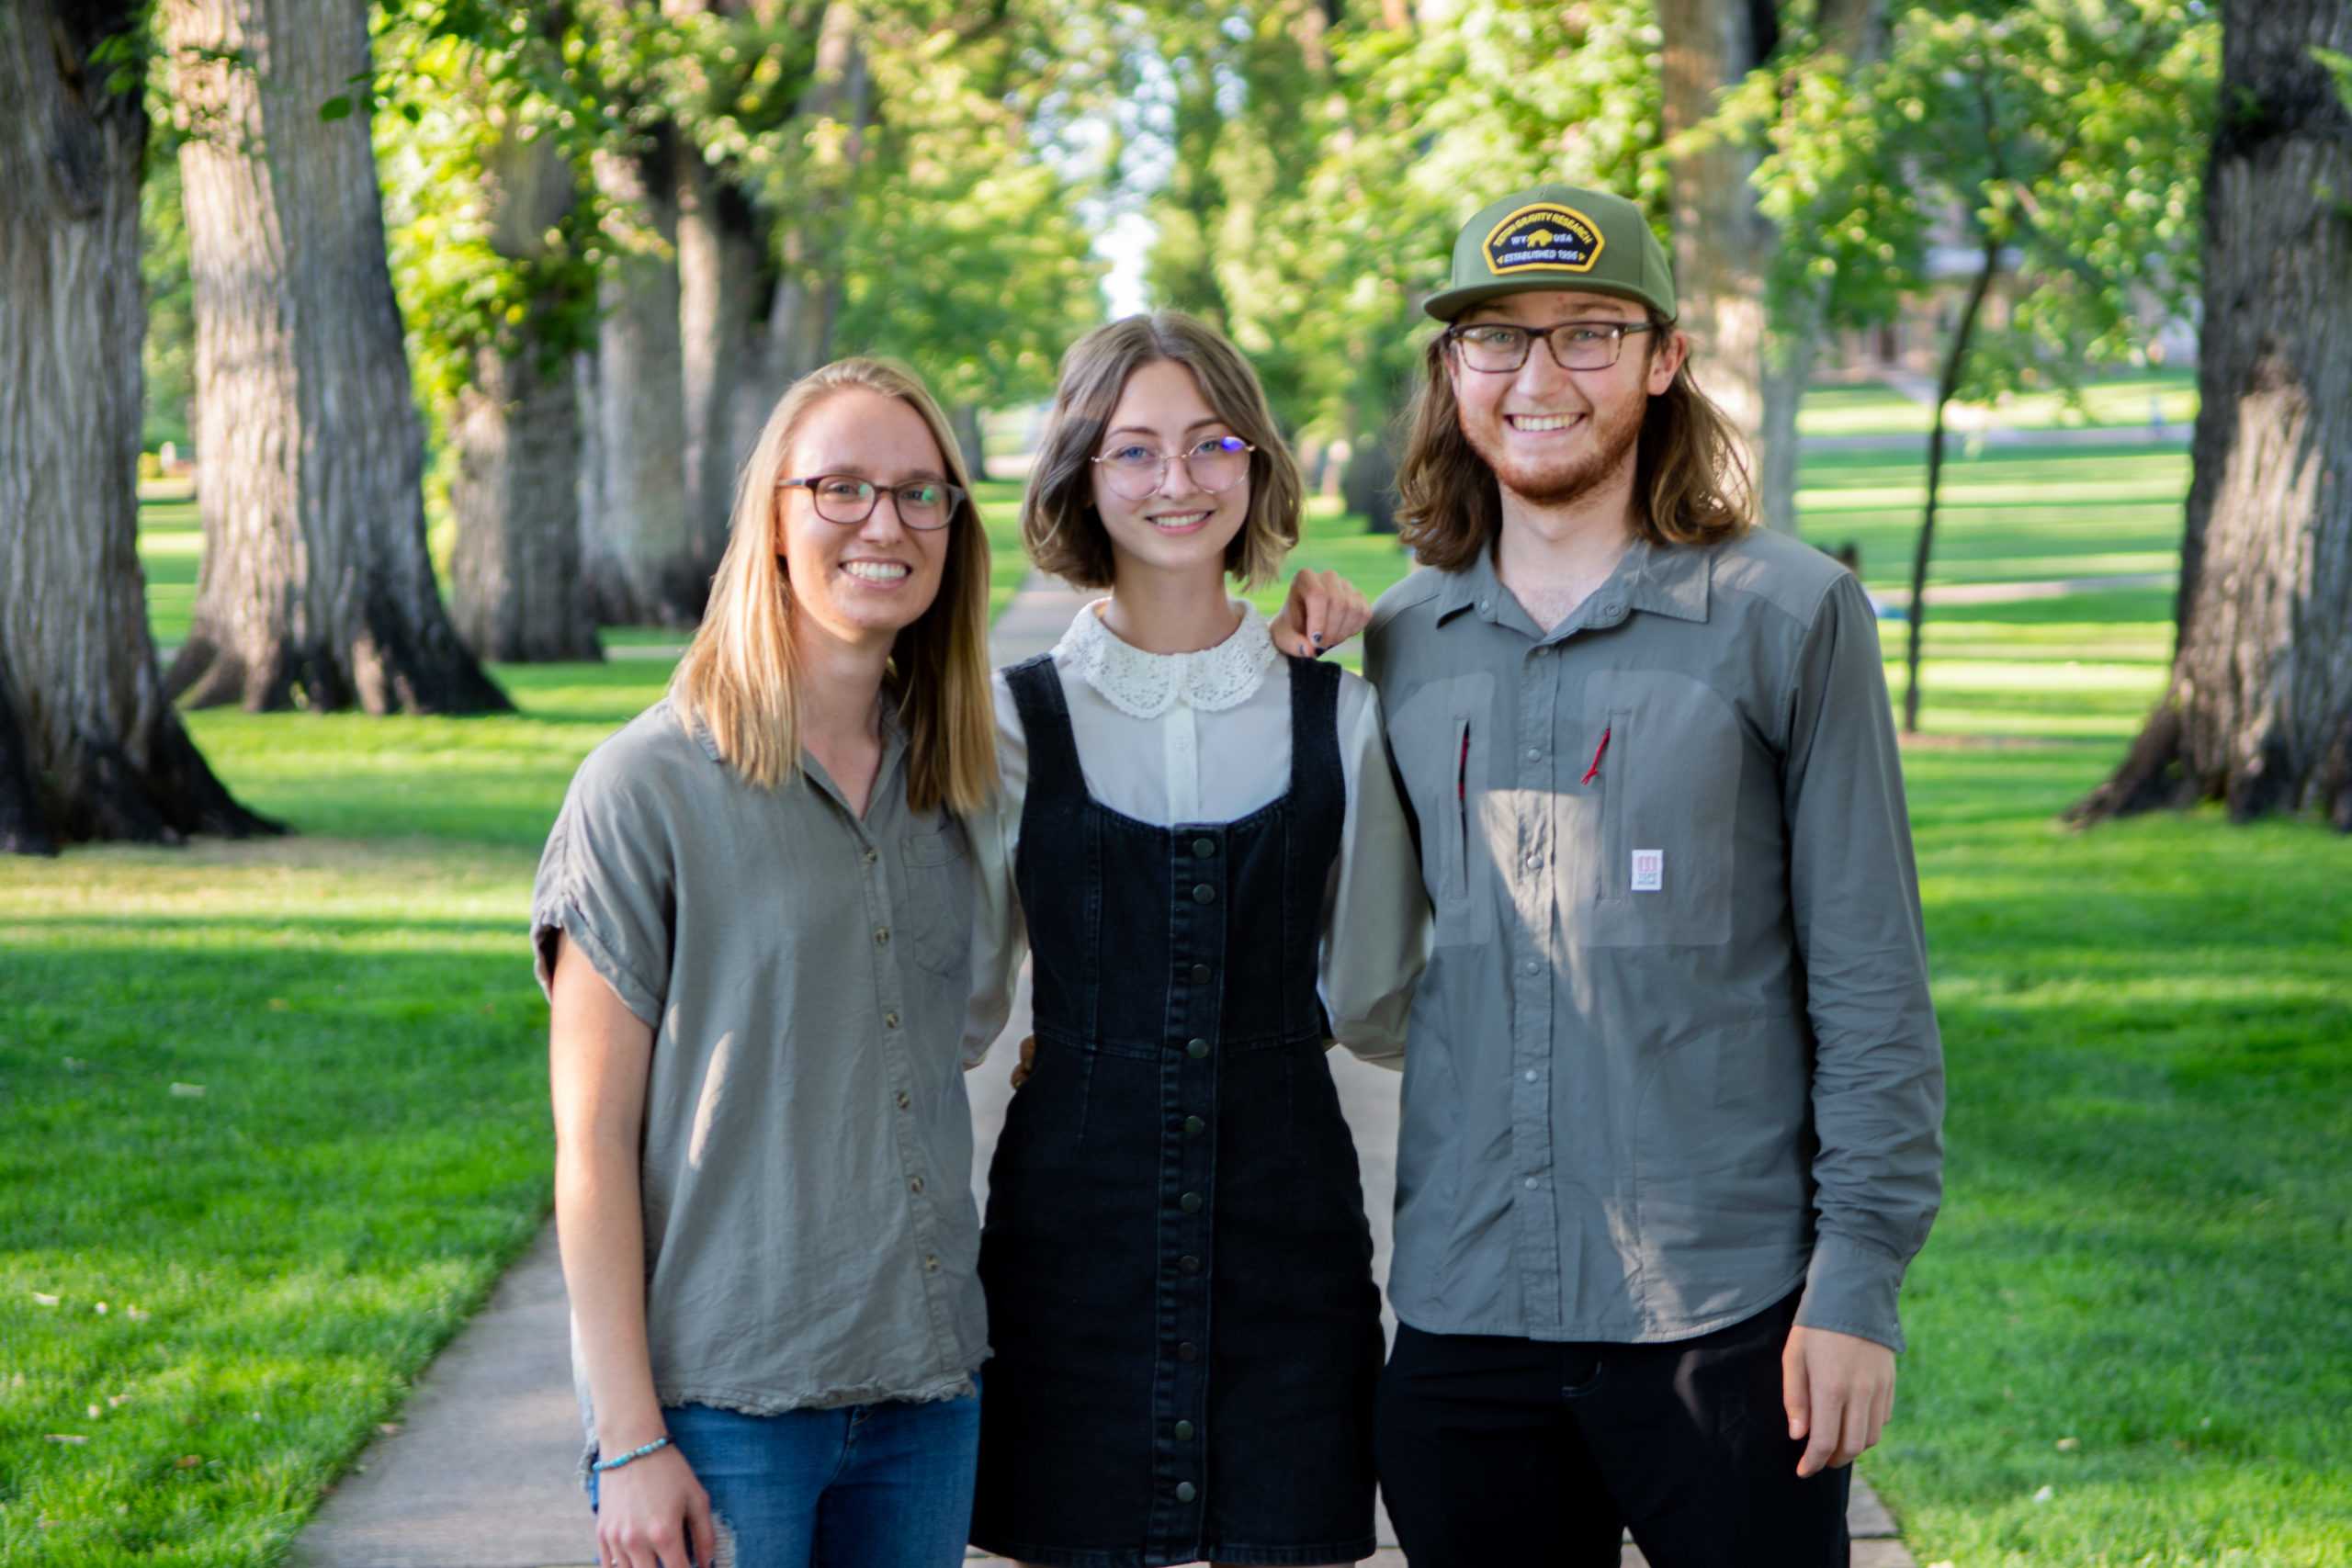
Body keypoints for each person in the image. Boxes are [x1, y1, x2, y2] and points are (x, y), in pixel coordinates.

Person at [1363, 184, 1945, 1566]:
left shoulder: (1791, 615)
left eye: (1588, 334)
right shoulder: (1399, 643)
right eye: (1495, 340)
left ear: (1664, 358)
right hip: (1463, 1315)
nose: (1539, 376)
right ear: (1452, 375)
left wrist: (1856, 1284)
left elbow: (1871, 977)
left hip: (1726, 1321)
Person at [963, 312, 1426, 1568]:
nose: (1179, 481)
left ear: (1258, 465)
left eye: (1213, 442)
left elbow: (1382, 999)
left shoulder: (1345, 714)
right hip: (1071, 1241)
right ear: (1080, 475)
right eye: (1134, 451)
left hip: (1290, 1242)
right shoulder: (1007, 726)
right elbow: (954, 995)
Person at [533, 358, 1000, 1568]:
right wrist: (628, 1438)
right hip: (723, 1415)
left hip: (926, 1396)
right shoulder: (644, 789)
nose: (884, 524)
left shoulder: (960, 784)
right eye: (839, 488)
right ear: (774, 522)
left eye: (918, 493)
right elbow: (589, 1148)